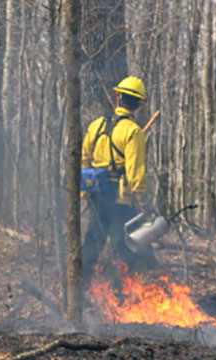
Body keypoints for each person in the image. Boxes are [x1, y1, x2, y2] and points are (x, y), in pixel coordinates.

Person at [80, 76, 157, 283]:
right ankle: (119, 294)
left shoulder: (96, 125)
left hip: (96, 193)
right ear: (139, 104)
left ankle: (80, 288)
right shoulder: (133, 132)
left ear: (117, 97)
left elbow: (85, 159)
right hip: (119, 197)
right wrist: (143, 201)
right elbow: (135, 173)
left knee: (92, 240)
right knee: (124, 246)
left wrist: (84, 193)